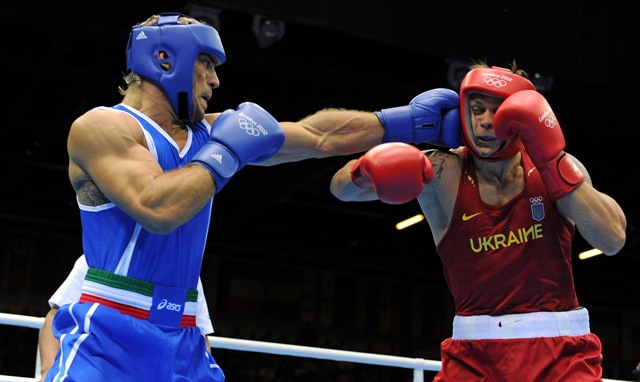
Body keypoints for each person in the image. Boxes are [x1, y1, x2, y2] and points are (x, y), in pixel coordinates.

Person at [46, 11, 461, 382]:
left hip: (185, 339)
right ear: (165, 61)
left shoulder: (208, 133)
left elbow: (319, 136)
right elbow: (158, 207)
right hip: (110, 337)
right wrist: (225, 153)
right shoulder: (101, 127)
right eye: (206, 64)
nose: (215, 80)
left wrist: (405, 123)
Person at [329, 61, 627, 381]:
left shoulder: (554, 167)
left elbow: (612, 240)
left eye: (497, 111)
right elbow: (340, 189)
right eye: (477, 108)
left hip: (559, 353)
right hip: (473, 354)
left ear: (518, 117)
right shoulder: (443, 170)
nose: (485, 122)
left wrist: (554, 162)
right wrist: (366, 171)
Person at [38, 255, 214, 381]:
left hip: (158, 372)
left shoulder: (188, 278)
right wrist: (47, 371)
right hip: (99, 367)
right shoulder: (96, 259)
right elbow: (56, 315)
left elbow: (200, 337)